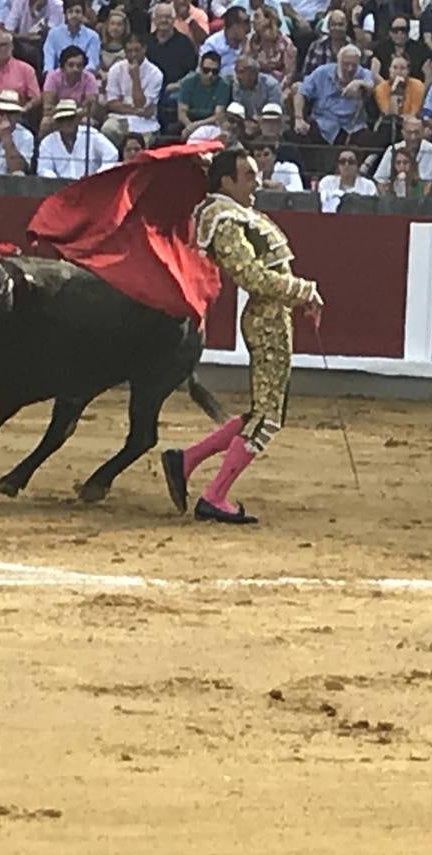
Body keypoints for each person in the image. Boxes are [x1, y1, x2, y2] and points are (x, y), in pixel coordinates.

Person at [161, 148, 324, 524]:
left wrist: (299, 296)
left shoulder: (233, 214)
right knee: (268, 418)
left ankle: (185, 461)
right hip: (266, 319)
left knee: (261, 411)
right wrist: (303, 291)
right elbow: (250, 276)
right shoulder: (222, 219)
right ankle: (214, 496)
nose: (257, 182)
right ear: (226, 182)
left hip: (273, 315)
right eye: (248, 176)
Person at [295, 44, 374, 146]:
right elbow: (301, 92)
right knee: (300, 134)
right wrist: (299, 118)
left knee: (368, 140)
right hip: (322, 124)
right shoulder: (322, 72)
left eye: (354, 65)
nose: (350, 69)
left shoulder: (363, 74)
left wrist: (359, 83)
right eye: (346, 64)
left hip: (352, 126)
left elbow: (371, 86)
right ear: (338, 61)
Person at [101, 32, 164, 146]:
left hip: (145, 124)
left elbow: (141, 104)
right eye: (129, 51)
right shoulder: (115, 69)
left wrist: (135, 78)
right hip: (120, 118)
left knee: (142, 143)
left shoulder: (155, 73)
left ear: (144, 49)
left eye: (137, 50)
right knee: (107, 130)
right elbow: (112, 103)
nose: (133, 54)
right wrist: (135, 111)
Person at [37, 98, 118, 176]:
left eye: (70, 119)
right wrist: (56, 181)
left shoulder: (91, 134)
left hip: (89, 185)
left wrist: (98, 175)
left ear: (77, 119)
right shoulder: (47, 142)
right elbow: (44, 169)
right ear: (57, 123)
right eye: (62, 120)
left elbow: (112, 154)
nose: (67, 123)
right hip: (60, 187)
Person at [373, 114, 432, 187]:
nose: (413, 137)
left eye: (417, 132)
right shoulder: (392, 150)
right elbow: (380, 181)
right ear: (403, 133)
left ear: (423, 132)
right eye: (409, 133)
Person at [41, 44, 99, 134]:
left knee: (87, 122)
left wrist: (73, 115)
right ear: (62, 67)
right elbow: (47, 108)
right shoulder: (52, 77)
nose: (75, 69)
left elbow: (91, 109)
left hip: (79, 117)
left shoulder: (89, 78)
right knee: (46, 123)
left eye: (79, 66)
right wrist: (67, 114)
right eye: (71, 65)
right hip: (57, 117)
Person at [178, 51, 233, 139]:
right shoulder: (188, 81)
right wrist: (189, 127)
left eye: (215, 71)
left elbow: (218, 115)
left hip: (210, 122)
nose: (210, 75)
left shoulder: (223, 85)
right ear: (200, 68)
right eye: (206, 70)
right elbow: (182, 112)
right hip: (189, 120)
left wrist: (196, 127)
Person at [42, 0, 100, 72]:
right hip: (58, 77)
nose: (74, 15)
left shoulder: (92, 36)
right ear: (65, 15)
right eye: (70, 11)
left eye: (77, 12)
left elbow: (92, 64)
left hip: (83, 77)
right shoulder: (53, 34)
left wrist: (76, 75)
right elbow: (48, 63)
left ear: (83, 15)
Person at [199, 8, 249, 76]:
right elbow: (205, 72)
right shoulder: (212, 45)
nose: (249, 28)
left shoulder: (248, 42)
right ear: (234, 26)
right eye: (246, 23)